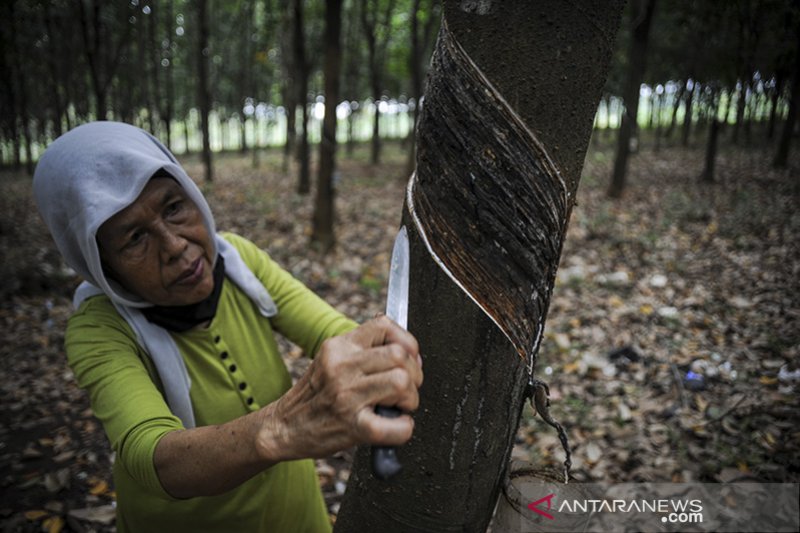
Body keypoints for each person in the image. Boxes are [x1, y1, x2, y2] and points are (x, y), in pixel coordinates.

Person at [32, 121, 423, 532]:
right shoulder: (99, 329)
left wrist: (380, 359)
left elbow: (333, 330)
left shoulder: (238, 261)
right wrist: (281, 427)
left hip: (297, 517)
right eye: (134, 239)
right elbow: (153, 456)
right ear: (100, 264)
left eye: (173, 208)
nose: (175, 245)